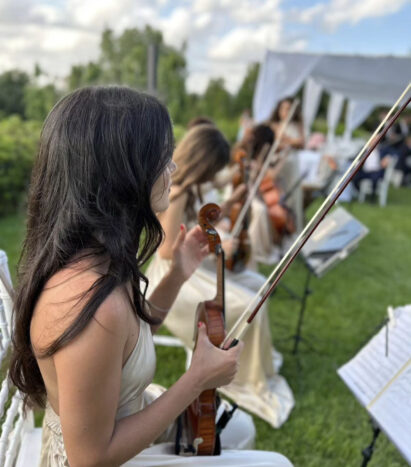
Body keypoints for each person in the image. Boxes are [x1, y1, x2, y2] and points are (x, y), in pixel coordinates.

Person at [9, 86, 293, 467]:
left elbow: (131, 339)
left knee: (239, 431)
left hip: (119, 423)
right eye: (162, 157)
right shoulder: (90, 305)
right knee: (276, 463)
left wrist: (177, 274)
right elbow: (90, 457)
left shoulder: (101, 260)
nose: (173, 168)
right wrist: (196, 380)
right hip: (102, 454)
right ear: (121, 174)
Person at [146, 124, 295, 429]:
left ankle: (253, 365)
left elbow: (205, 220)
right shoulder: (176, 194)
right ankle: (237, 376)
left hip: (192, 266)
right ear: (204, 162)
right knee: (243, 304)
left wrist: (233, 200)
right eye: (213, 169)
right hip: (173, 275)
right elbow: (166, 252)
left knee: (257, 286)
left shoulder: (193, 188)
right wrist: (217, 243)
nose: (216, 176)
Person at [267, 98, 305, 232]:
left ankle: (295, 228)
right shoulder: (276, 126)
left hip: (292, 163)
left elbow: (301, 143)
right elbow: (275, 146)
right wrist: (287, 142)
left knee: (293, 195)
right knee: (279, 194)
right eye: (283, 108)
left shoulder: (296, 125)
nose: (286, 111)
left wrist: (286, 140)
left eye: (289, 108)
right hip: (280, 164)